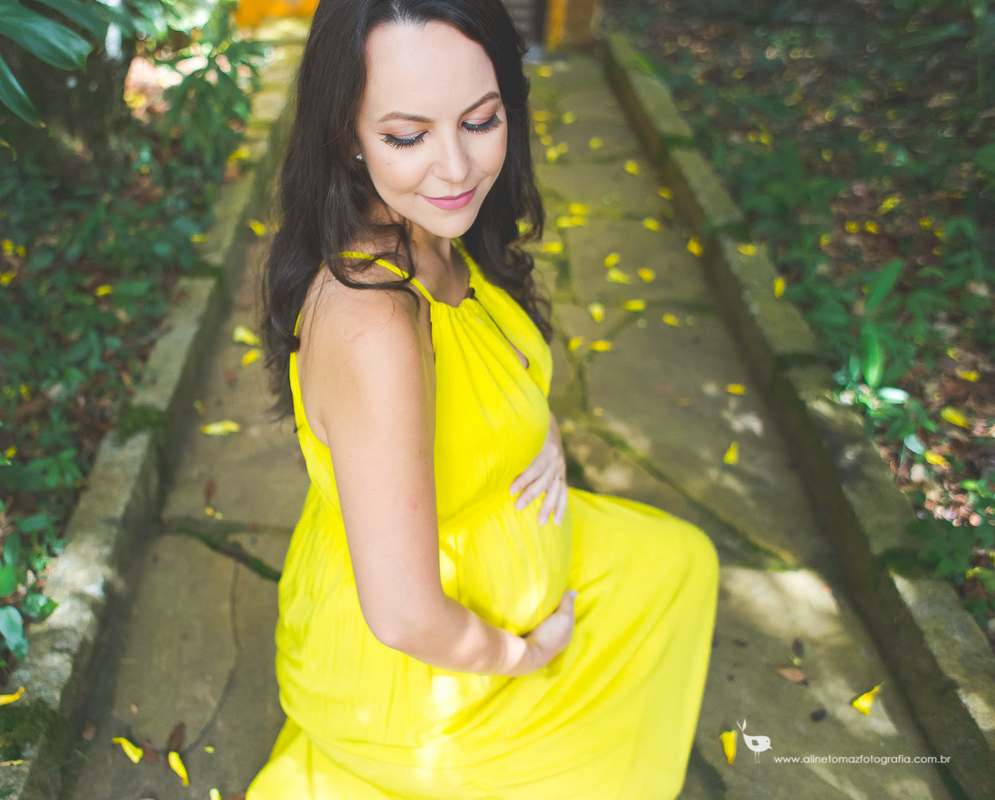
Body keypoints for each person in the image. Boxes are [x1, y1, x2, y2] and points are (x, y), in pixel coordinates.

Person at [250, 1, 719, 796]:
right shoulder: (375, 329)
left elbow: (482, 363)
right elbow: (405, 615)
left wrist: (540, 426)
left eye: (480, 120)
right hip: (422, 680)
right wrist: (524, 655)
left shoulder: (429, 225)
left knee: (678, 563)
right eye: (407, 136)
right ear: (346, 135)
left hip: (499, 554)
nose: (457, 168)